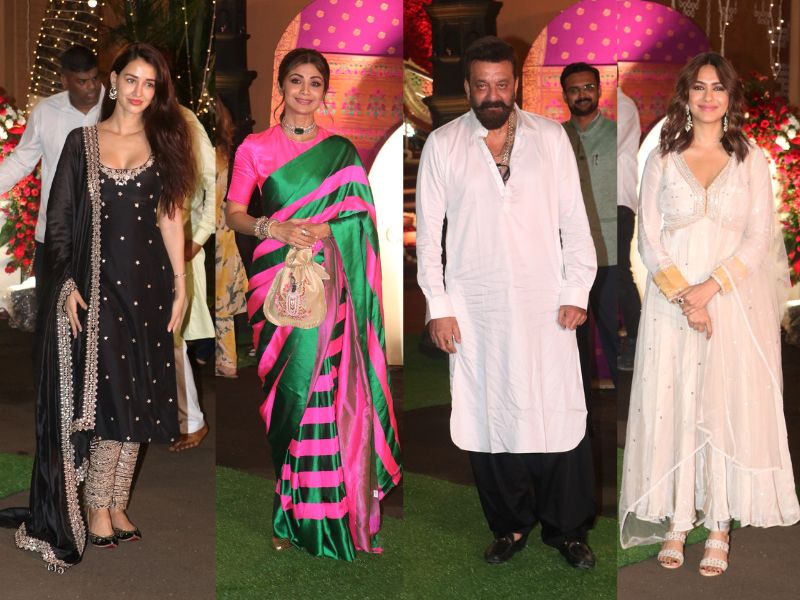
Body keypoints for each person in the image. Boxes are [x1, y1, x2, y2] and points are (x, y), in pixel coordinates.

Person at [5, 42, 195, 570]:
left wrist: (181, 283)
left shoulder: (166, 138)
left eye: (150, 84)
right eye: (131, 79)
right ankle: (93, 506)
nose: (139, 92)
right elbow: (61, 218)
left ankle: (115, 500)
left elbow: (171, 215)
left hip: (149, 284)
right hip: (97, 283)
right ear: (113, 80)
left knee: (138, 388)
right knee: (108, 390)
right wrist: (65, 283)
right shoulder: (81, 142)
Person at [416, 36, 598, 569]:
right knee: (487, 413)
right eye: (481, 85)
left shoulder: (550, 137)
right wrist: (438, 306)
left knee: (558, 411)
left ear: (515, 83)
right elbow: (428, 237)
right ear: (467, 86)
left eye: (501, 84)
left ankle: (568, 530)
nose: (492, 95)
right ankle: (509, 524)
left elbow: (574, 221)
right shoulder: (443, 144)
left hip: (547, 303)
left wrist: (576, 290)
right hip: (476, 307)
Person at [619, 52, 800, 576]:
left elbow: (759, 237)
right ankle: (678, 518)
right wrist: (685, 297)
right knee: (675, 399)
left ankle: (719, 522)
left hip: (734, 301)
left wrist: (710, 290)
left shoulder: (751, 159)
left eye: (718, 88)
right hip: (671, 306)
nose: (708, 97)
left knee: (724, 401)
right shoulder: (662, 157)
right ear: (685, 94)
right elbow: (649, 238)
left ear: (730, 97)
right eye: (699, 87)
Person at [224, 48, 401, 560]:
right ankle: (289, 510)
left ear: (325, 91)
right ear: (281, 86)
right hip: (275, 286)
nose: (305, 91)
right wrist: (272, 227)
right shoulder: (255, 147)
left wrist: (328, 230)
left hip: (329, 283)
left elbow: (361, 219)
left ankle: (338, 509)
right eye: (296, 81)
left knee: (328, 389)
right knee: (289, 394)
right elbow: (234, 213)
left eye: (315, 83)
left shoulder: (341, 151)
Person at [0, 45, 102, 279]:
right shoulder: (46, 111)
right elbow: (22, 160)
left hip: (104, 236)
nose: (91, 87)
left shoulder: (114, 106)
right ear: (64, 80)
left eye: (95, 78)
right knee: (51, 301)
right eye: (82, 81)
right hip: (55, 234)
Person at [560, 62, 618, 395]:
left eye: (588, 88)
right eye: (574, 89)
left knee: (612, 334)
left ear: (599, 90)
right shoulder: (555, 138)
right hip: (567, 257)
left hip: (608, 253)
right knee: (570, 340)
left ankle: (628, 414)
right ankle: (578, 416)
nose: (582, 94)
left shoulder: (616, 135)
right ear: (565, 95)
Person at [169, 104, 215, 452]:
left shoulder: (183, 120)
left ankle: (192, 421)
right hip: (125, 246)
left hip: (172, 245)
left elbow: (211, 182)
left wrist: (198, 237)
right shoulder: (112, 117)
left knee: (170, 337)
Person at [214, 98, 247, 378]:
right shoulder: (227, 154)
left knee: (219, 301)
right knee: (222, 301)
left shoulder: (218, 155)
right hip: (223, 230)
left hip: (218, 230)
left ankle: (226, 362)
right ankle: (226, 361)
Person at [616, 86, 642, 371]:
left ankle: (636, 341)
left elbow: (605, 148)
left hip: (618, 203)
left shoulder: (621, 106)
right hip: (595, 205)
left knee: (621, 274)